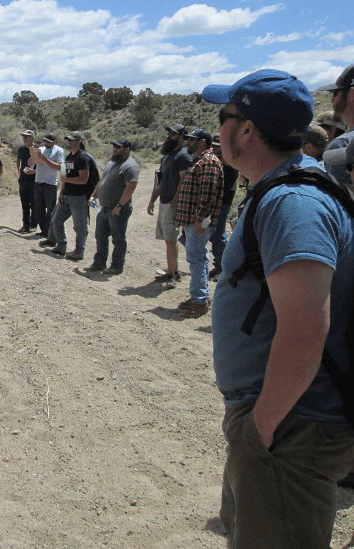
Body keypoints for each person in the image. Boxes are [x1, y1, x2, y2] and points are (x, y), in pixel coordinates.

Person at [203, 69, 354, 548]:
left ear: (245, 129)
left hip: (295, 426)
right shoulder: (283, 190)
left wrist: (261, 430)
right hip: (290, 421)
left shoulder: (292, 203)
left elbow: (306, 330)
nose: (217, 127)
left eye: (224, 115)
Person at [173, 128, 223, 318]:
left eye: (192, 140)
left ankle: (200, 301)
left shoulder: (208, 162)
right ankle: (200, 295)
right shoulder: (201, 161)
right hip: (193, 220)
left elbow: (208, 195)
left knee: (196, 259)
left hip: (198, 222)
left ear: (202, 142)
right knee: (198, 258)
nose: (188, 142)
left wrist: (199, 220)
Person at [146, 124, 193, 289]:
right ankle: (173, 271)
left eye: (173, 134)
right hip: (164, 202)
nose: (169, 136)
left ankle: (172, 275)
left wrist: (175, 201)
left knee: (171, 240)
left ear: (182, 137)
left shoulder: (184, 156)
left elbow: (184, 180)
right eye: (169, 133)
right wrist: (152, 199)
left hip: (172, 203)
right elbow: (158, 178)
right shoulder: (166, 156)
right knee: (168, 239)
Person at [86, 138, 139, 275]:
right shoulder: (111, 163)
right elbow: (102, 181)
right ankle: (99, 263)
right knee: (100, 236)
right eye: (114, 146)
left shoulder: (130, 166)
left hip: (118, 210)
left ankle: (117, 265)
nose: (114, 149)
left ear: (127, 150)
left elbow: (131, 187)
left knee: (118, 238)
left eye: (118, 147)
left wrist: (120, 205)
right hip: (104, 208)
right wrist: (93, 196)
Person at [50, 131, 93, 260]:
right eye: (68, 140)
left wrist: (66, 181)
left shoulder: (83, 158)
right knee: (57, 220)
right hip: (67, 195)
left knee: (79, 226)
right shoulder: (68, 157)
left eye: (72, 140)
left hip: (79, 197)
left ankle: (79, 251)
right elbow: (64, 177)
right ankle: (61, 246)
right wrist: (62, 192)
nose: (69, 142)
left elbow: (83, 179)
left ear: (79, 141)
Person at [208, 133, 239, 281]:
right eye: (213, 146)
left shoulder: (229, 164)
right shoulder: (218, 162)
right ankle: (221, 264)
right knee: (215, 235)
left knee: (218, 234)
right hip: (216, 202)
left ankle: (224, 266)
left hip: (223, 203)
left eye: (218, 147)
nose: (214, 149)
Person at [319, 62, 354, 190]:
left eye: (335, 93)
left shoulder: (342, 145)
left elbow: (342, 206)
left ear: (351, 95)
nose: (332, 100)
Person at [32, 134, 64, 238]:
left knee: (50, 210)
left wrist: (45, 159)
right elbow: (31, 164)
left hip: (50, 184)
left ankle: (49, 232)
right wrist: (32, 156)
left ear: (55, 141)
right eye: (45, 141)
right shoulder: (40, 149)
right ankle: (44, 230)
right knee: (38, 209)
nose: (46, 144)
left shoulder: (59, 151)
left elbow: (60, 167)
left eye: (48, 142)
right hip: (38, 182)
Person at [16, 130, 37, 233]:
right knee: (24, 203)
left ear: (32, 138)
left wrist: (34, 172)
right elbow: (18, 159)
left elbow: (41, 165)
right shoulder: (21, 149)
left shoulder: (37, 149)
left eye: (27, 137)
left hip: (34, 180)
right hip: (23, 179)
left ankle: (33, 225)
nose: (24, 138)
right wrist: (19, 171)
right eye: (23, 136)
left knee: (33, 203)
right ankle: (25, 225)